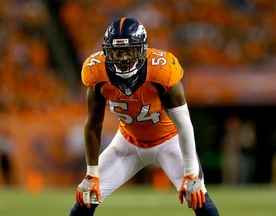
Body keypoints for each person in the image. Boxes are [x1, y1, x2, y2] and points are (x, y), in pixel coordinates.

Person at [69, 17, 219, 216]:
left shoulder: (161, 69)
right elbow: (93, 123)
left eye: (128, 51)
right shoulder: (96, 71)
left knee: (198, 196)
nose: (122, 59)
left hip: (169, 142)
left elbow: (184, 123)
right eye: (116, 52)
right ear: (106, 51)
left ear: (142, 50)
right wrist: (91, 173)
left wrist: (191, 173)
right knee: (86, 197)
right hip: (127, 143)